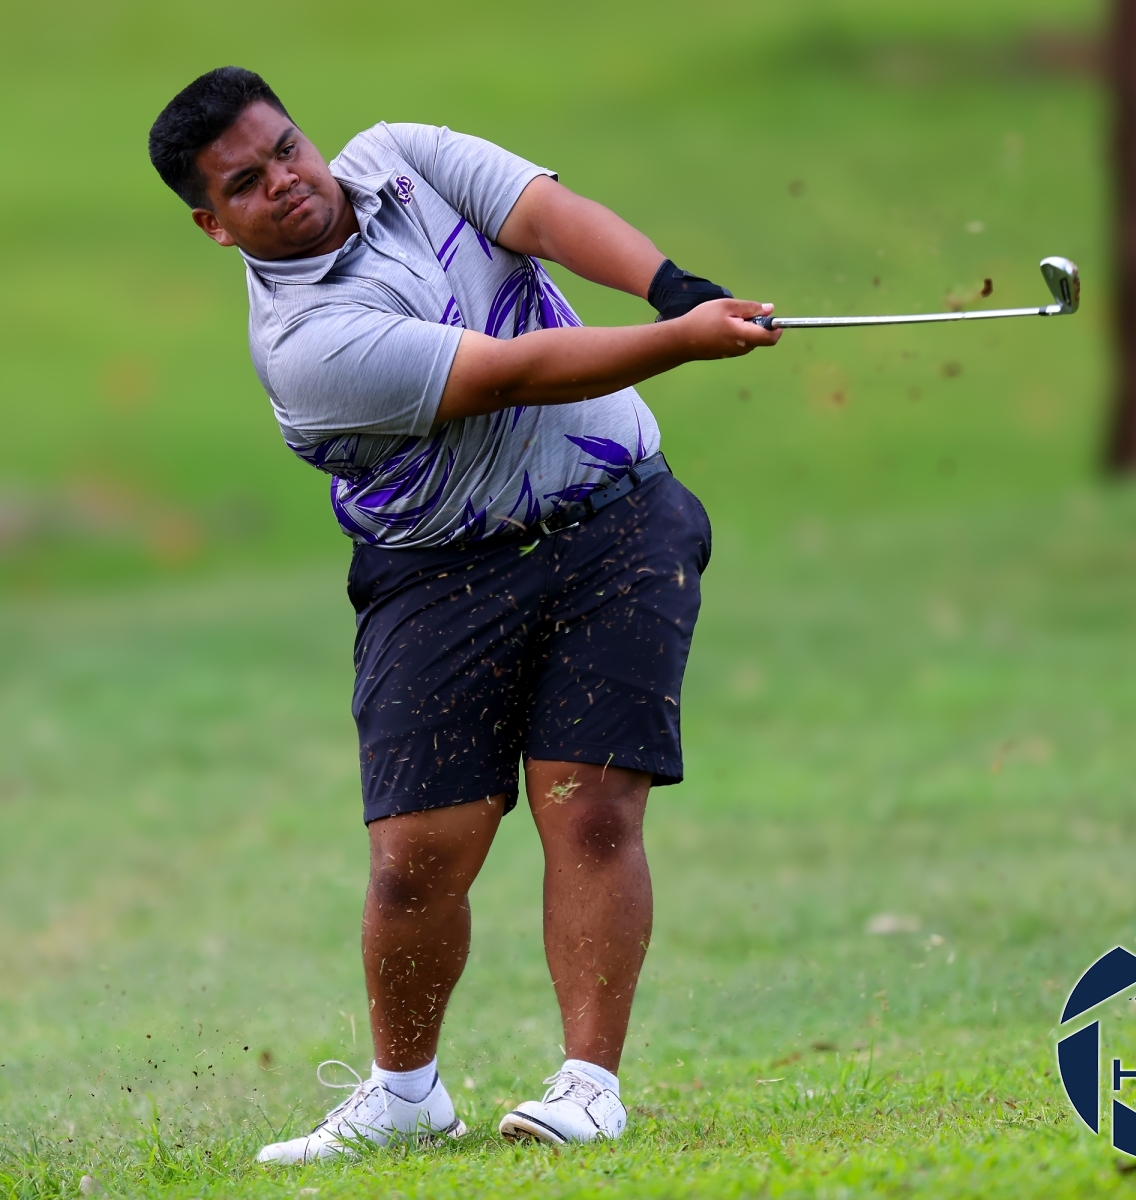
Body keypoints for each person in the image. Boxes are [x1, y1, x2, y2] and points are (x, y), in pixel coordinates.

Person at [147, 66, 779, 1164]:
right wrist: (682, 341)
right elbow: (509, 373)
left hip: (616, 521)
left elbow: (544, 216)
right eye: (246, 183)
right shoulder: (304, 344)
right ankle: (405, 1096)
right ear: (214, 224)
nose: (286, 180)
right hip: (436, 573)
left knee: (589, 805)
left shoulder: (403, 154)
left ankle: (590, 1086)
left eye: (287, 148)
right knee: (416, 856)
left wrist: (671, 286)